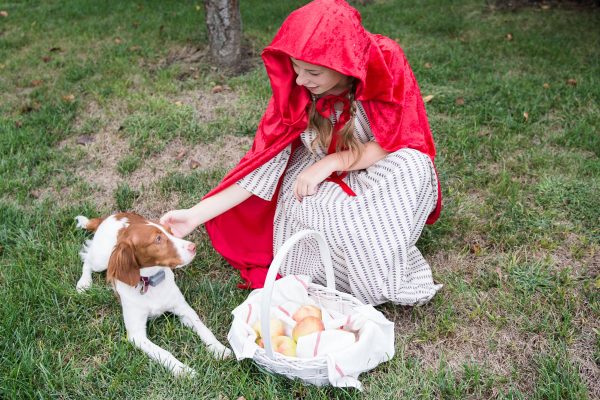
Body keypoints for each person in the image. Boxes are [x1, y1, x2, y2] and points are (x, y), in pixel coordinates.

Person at [160, 0, 442, 306]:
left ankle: (374, 258)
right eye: (296, 69)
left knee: (415, 165)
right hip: (321, 181)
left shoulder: (384, 61)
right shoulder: (299, 91)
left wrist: (334, 161)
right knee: (307, 209)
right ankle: (358, 262)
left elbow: (402, 139)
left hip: (380, 170)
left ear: (343, 67)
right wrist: (194, 216)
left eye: (313, 73)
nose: (299, 80)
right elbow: (262, 166)